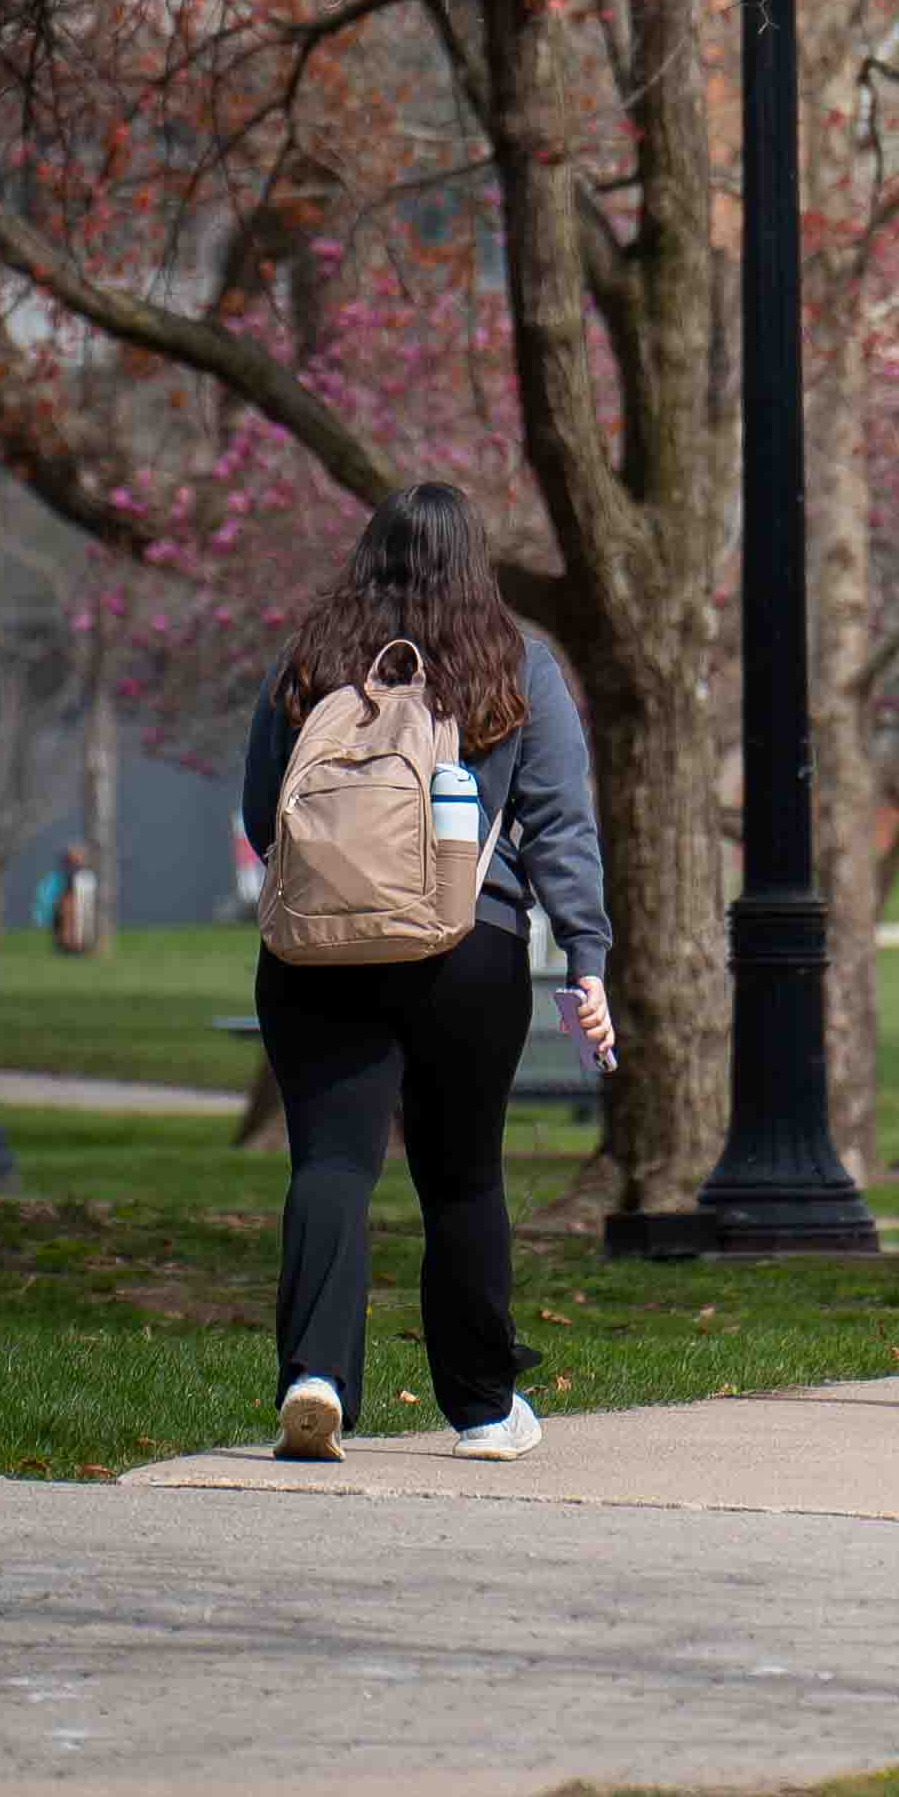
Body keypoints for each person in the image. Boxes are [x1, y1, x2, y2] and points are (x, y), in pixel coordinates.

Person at [239, 479, 614, 1461]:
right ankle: (483, 1409)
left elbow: (258, 814)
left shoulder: (306, 664)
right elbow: (563, 824)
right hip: (466, 948)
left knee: (330, 1162)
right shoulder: (513, 665)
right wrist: (587, 957)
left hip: (316, 954)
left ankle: (314, 1377)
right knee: (461, 1180)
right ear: (472, 561)